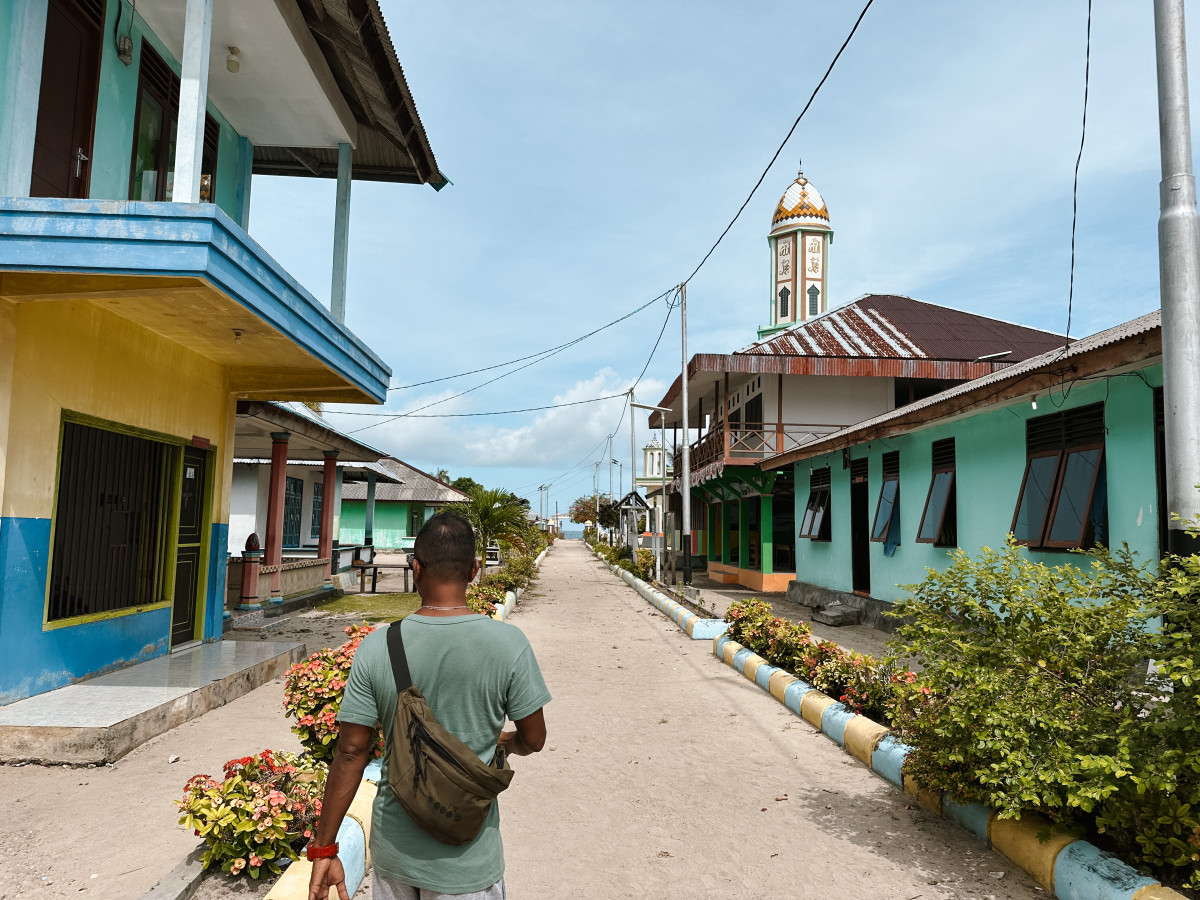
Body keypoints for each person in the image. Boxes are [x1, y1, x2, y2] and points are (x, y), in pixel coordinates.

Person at [307, 513, 551, 900]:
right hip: (470, 857)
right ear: (474, 569)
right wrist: (504, 743)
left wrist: (324, 848)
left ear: (416, 568)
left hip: (396, 855)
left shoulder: (377, 646)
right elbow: (534, 739)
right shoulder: (509, 644)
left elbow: (351, 752)